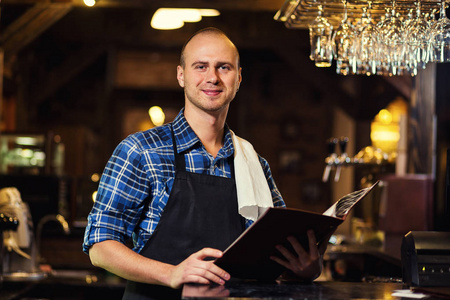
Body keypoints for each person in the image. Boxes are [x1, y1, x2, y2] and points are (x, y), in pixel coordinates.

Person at [83, 27, 327, 300]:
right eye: (201, 66)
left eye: (224, 67)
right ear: (181, 75)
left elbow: (276, 254)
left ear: (238, 78)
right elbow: (100, 246)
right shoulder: (141, 151)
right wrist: (171, 273)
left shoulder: (253, 162)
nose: (212, 77)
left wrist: (305, 268)